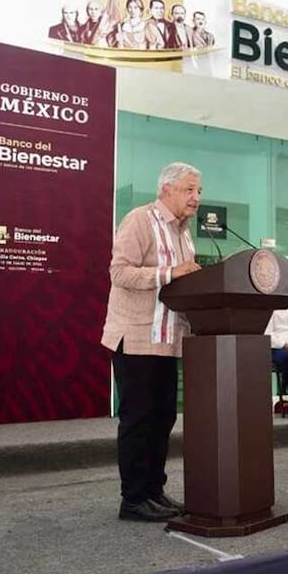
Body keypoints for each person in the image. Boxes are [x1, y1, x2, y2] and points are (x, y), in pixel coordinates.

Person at [101, 162, 203, 522]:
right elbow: (119, 272)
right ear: (166, 190)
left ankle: (154, 492)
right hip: (137, 338)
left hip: (169, 340)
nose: (196, 198)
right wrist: (171, 272)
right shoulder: (140, 220)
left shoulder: (185, 234)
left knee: (162, 419)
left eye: (199, 191)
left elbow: (182, 288)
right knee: (139, 419)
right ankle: (133, 499)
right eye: (189, 190)